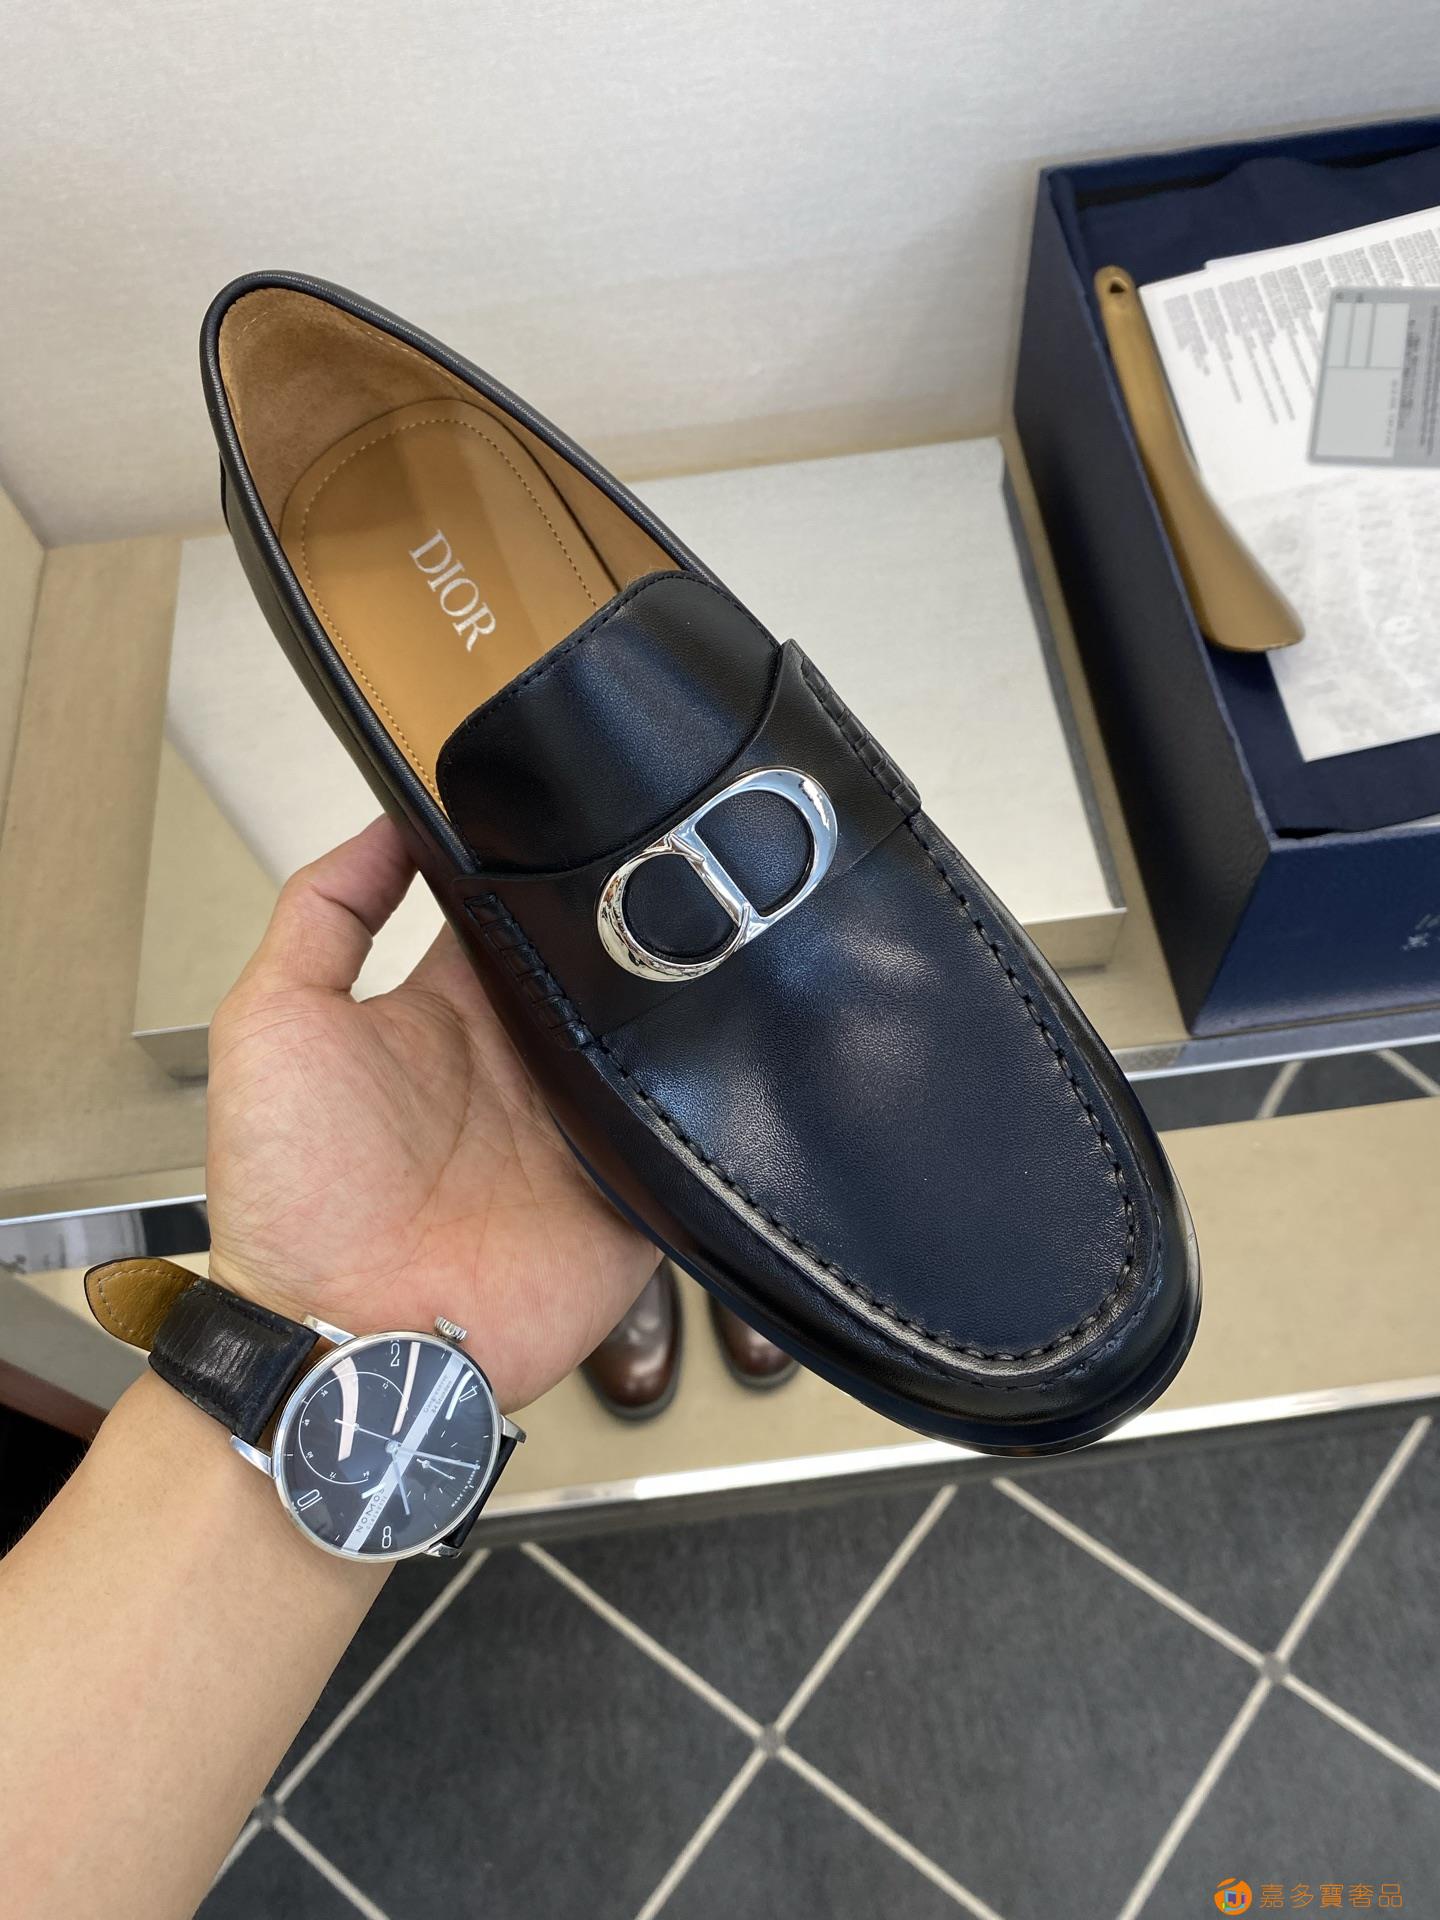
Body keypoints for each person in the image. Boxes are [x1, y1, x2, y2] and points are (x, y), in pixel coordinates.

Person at [0, 817, 662, 1920]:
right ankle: (685, 1226)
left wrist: (309, 1315)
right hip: (391, 1365)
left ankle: (691, 1224)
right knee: (652, 1118)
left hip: (369, 1383)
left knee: (660, 1122)